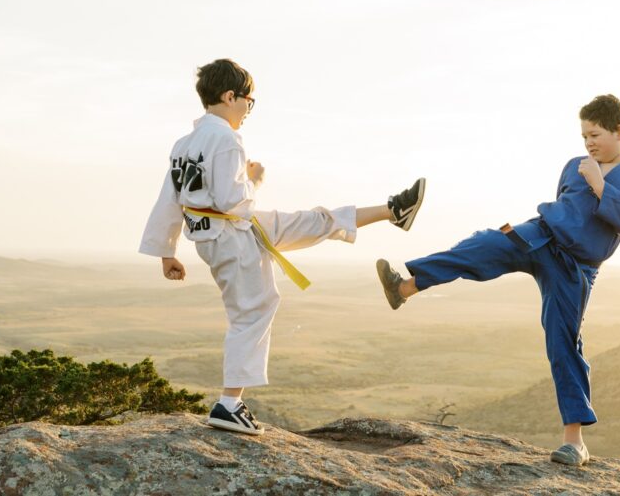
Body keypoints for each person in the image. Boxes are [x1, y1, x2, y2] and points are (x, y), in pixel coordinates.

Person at [139, 58, 424, 436]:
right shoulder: (226, 138)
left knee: (313, 220)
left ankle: (394, 210)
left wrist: (167, 251)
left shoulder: (183, 144)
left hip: (225, 232)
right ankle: (229, 403)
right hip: (232, 235)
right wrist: (255, 179)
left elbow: (168, 199)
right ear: (229, 96)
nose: (247, 110)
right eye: (248, 101)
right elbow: (233, 201)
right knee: (253, 310)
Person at [376, 94, 620, 466]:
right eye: (584, 135)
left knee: (563, 340)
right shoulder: (575, 165)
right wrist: (586, 175)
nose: (588, 142)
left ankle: (574, 441)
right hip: (539, 235)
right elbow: (564, 205)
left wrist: (601, 186)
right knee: (484, 243)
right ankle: (405, 287)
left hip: (575, 266)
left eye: (596, 134)